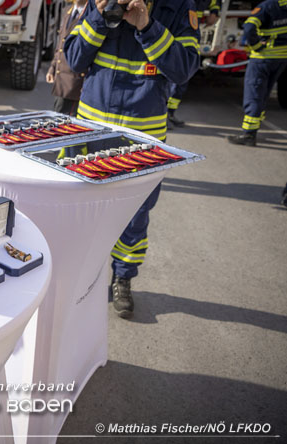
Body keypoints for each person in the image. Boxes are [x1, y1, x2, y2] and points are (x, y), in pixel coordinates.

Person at [65, 0, 200, 318]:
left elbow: (184, 68)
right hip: (90, 134)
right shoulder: (100, 3)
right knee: (82, 212)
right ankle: (82, 278)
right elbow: (73, 59)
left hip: (143, 139)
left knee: (134, 216)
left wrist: (147, 26)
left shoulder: (178, 7)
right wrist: (98, 16)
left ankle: (123, 278)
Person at [227, 0, 287, 146]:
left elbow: (249, 28)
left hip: (262, 59)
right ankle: (253, 130)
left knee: (254, 95)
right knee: (264, 95)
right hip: (281, 58)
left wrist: (256, 46)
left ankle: (249, 135)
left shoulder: (267, 6)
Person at [167, 0, 218, 128]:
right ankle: (164, 115)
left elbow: (213, 3)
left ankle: (170, 114)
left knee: (182, 81)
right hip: (174, 31)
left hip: (190, 32)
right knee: (170, 80)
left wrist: (214, 12)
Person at [47, 0, 88, 116]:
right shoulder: (67, 11)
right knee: (57, 121)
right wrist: (53, 67)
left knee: (67, 126)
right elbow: (61, 43)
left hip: (75, 84)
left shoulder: (92, 14)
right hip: (61, 83)